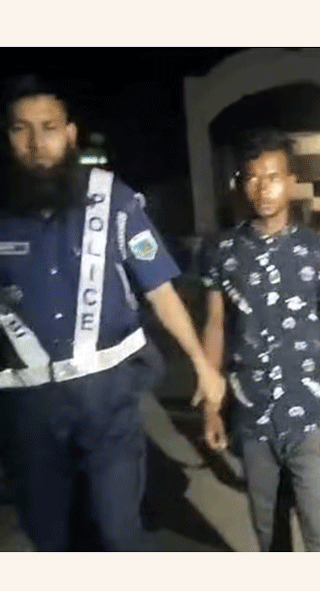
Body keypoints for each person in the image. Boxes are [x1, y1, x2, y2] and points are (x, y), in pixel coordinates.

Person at [0, 75, 226, 551]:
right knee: (51, 539)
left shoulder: (112, 199)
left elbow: (160, 290)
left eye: (48, 127)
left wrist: (203, 366)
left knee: (117, 534)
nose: (36, 143)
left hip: (107, 400)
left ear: (70, 133)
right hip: (27, 409)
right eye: (21, 129)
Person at [199, 129, 320, 552]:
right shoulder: (222, 251)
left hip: (314, 414)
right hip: (252, 414)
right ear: (242, 184)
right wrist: (212, 407)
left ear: (290, 182)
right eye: (252, 178)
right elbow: (215, 325)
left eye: (272, 177)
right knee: (270, 534)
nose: (262, 187)